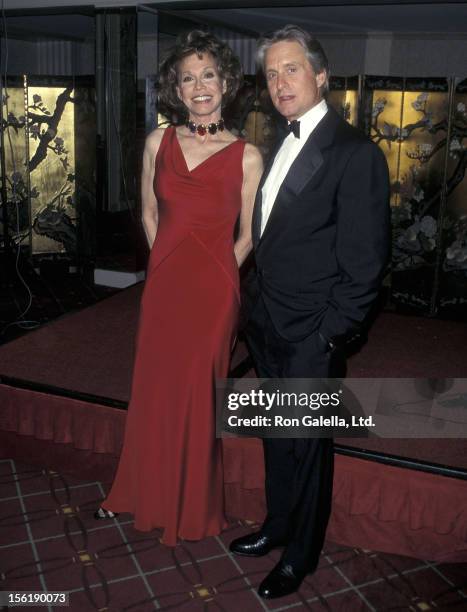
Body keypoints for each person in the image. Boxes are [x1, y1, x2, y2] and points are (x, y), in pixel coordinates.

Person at [230, 25, 390, 599]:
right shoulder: (278, 143)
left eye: (290, 68)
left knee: (308, 450)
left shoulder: (355, 154)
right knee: (276, 438)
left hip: (310, 335)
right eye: (270, 73)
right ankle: (275, 527)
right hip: (269, 324)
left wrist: (329, 336)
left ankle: (300, 555)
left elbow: (365, 266)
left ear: (321, 75)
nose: (279, 82)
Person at [95, 30, 263, 546]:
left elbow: (249, 235)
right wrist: (165, 261)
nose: (199, 85)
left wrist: (219, 273)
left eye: (208, 74)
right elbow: (147, 212)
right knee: (153, 389)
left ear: (225, 83)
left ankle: (191, 505)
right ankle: (135, 491)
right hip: (165, 286)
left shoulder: (248, 155)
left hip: (213, 292)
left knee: (196, 393)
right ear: (177, 89)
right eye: (188, 78)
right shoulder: (157, 142)